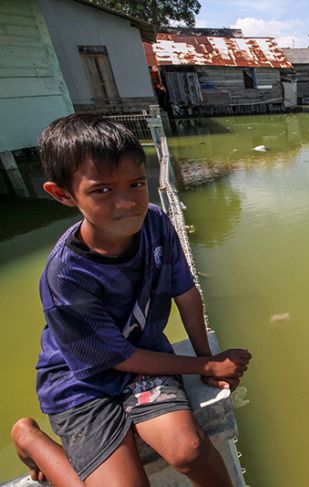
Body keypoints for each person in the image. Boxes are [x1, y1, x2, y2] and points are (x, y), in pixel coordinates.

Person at [10, 114, 251, 487]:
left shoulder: (155, 222)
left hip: (142, 360)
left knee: (190, 451)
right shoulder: (66, 276)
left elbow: (186, 293)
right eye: (102, 190)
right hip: (82, 379)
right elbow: (116, 357)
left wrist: (209, 363)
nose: (127, 203)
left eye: (136, 184)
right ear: (63, 194)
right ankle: (29, 437)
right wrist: (202, 363)